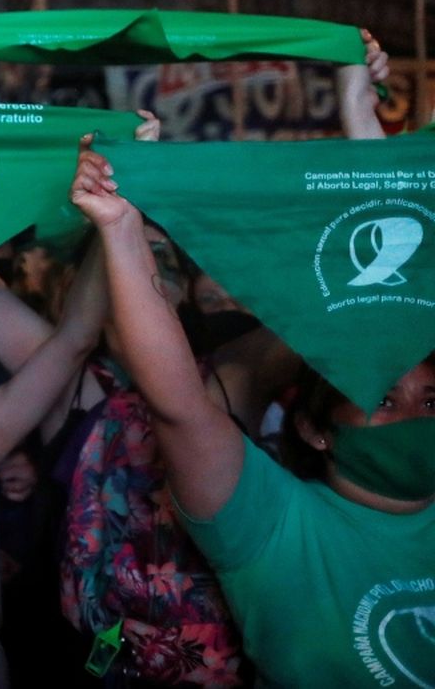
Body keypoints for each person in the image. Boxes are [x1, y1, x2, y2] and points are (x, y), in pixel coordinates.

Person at [71, 139, 435, 687]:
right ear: (315, 429)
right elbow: (180, 405)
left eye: (432, 401)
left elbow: (399, 273)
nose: (413, 415)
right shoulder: (271, 524)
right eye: (382, 399)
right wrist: (121, 228)